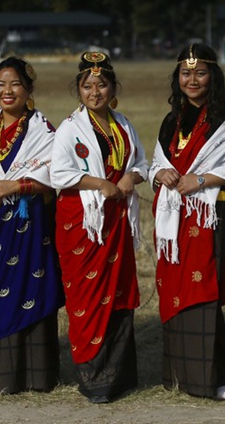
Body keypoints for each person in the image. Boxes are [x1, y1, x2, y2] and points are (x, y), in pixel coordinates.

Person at [149, 43, 225, 400]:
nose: (192, 80)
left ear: (213, 76)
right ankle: (181, 375)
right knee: (177, 289)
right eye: (185, 73)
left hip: (211, 215)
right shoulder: (172, 119)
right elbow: (156, 163)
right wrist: (161, 172)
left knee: (203, 288)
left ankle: (216, 376)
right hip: (175, 217)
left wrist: (202, 179)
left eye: (200, 72)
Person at [0, 57, 64, 394]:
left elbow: (55, 176)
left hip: (29, 227)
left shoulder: (45, 131)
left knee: (30, 290)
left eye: (15, 84)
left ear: (29, 90)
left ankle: (34, 376)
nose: (8, 91)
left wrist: (16, 186)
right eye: (1, 84)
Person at [50, 51, 148, 404]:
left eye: (102, 84)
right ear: (78, 90)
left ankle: (119, 375)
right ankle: (94, 377)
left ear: (113, 88)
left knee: (119, 291)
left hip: (116, 222)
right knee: (87, 296)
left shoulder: (122, 124)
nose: (95, 92)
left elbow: (141, 162)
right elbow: (57, 173)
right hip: (84, 224)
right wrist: (98, 183)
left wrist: (129, 177)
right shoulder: (69, 128)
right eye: (87, 85)